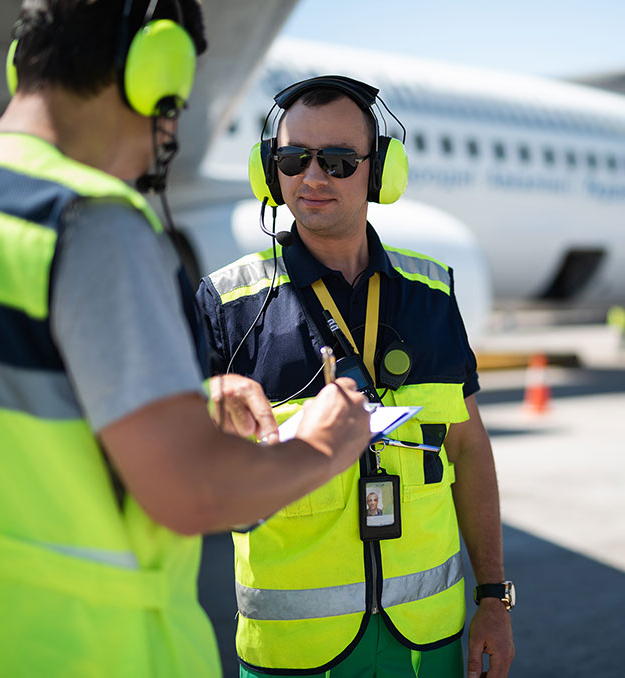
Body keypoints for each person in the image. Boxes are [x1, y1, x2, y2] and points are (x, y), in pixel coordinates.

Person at [0, 3, 370, 676]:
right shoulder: (92, 224)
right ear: (156, 74)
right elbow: (192, 492)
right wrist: (327, 443)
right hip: (88, 648)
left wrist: (178, 397)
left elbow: (14, 416)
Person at [196, 76, 516, 678]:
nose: (313, 178)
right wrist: (205, 400)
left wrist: (494, 599)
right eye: (293, 159)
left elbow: (470, 449)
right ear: (271, 171)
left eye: (340, 161)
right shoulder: (227, 301)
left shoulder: (431, 295)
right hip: (294, 654)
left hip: (428, 642)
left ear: (380, 173)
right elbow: (181, 460)